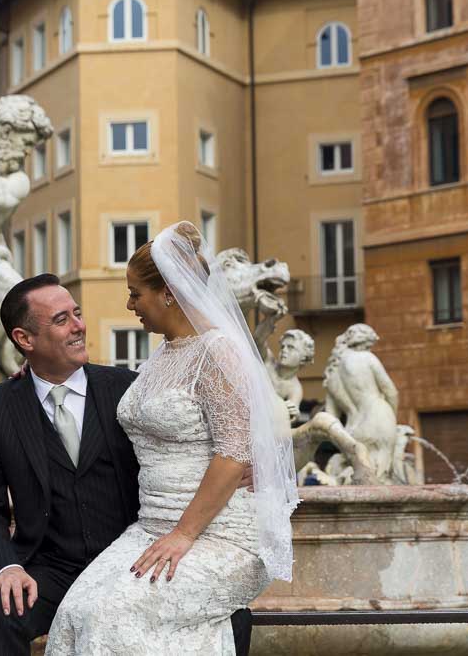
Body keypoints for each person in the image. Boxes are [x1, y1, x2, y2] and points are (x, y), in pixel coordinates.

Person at [0, 272, 253, 655]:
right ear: (24, 339)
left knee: (227, 614)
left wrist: (253, 462)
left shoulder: (129, 388)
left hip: (130, 556)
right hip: (49, 568)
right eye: (61, 320)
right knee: (1, 609)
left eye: (76, 314)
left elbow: (209, 437)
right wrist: (6, 567)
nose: (79, 326)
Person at [46, 222, 299, 653]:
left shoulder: (218, 351)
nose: (129, 305)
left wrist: (183, 535)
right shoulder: (163, 353)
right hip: (149, 529)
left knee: (114, 618)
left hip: (219, 536)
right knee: (75, 613)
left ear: (167, 291)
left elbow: (234, 453)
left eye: (135, 293)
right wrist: (41, 374)